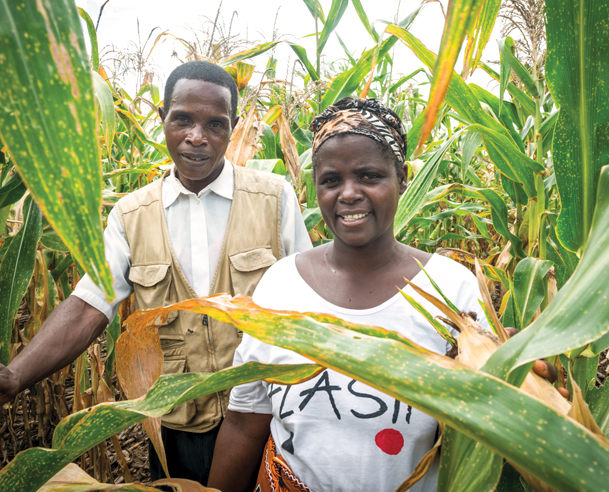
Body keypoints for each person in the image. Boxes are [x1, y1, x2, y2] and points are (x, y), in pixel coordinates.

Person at [0, 61, 312, 484]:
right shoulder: (131, 215)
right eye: (182, 119)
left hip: (266, 418)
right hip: (175, 424)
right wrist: (16, 375)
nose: (197, 137)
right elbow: (89, 305)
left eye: (215, 125)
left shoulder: (275, 198)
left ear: (234, 126)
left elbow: (309, 306)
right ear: (162, 115)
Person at [207, 97, 564, 492]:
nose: (348, 194)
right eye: (330, 180)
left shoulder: (450, 288)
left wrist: (524, 387)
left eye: (369, 176)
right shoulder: (280, 285)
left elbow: (476, 433)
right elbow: (244, 423)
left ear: (402, 179)